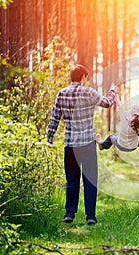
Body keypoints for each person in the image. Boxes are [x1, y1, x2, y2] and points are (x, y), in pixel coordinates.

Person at [47, 64, 116, 225]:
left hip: (70, 144)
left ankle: (69, 213)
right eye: (87, 77)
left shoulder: (62, 93)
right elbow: (107, 103)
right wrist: (112, 91)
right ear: (83, 77)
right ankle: (90, 216)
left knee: (72, 179)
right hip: (86, 144)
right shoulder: (88, 92)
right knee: (90, 180)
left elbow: (55, 117)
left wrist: (49, 137)